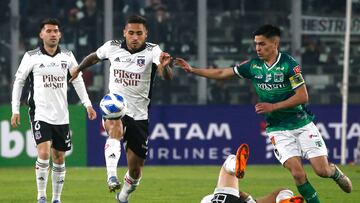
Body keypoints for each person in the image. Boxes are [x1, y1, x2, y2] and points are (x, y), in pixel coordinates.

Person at [175, 24, 352, 203]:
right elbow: (222, 72)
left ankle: (335, 172)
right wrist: (193, 70)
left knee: (322, 171)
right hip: (277, 128)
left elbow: (303, 96)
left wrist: (273, 107)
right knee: (298, 173)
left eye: (262, 44)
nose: (258, 48)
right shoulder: (253, 66)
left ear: (275, 44)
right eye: (256, 44)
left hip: (302, 123)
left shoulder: (289, 65)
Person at [69, 15, 173, 203]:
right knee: (115, 128)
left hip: (140, 115)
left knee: (136, 170)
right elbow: (94, 57)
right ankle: (111, 176)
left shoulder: (153, 51)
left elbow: (167, 76)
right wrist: (78, 68)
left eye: (139, 33)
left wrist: (165, 67)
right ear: (124, 32)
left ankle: (123, 196)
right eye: (131, 33)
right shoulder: (113, 46)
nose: (135, 37)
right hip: (115, 106)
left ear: (146, 34)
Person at [11, 18, 97, 203]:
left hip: (61, 115)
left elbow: (78, 79)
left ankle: (56, 198)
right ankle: (41, 196)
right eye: (48, 31)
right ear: (41, 34)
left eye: (55, 31)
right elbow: (19, 82)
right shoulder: (31, 56)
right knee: (43, 153)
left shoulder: (67, 56)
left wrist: (87, 104)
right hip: (40, 112)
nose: (52, 34)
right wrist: (15, 109)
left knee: (59, 157)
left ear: (60, 34)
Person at [201, 143, 304, 203]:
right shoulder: (207, 199)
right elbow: (240, 195)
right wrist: (244, 196)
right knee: (228, 163)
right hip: (223, 200)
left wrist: (247, 197)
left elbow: (245, 198)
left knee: (283, 190)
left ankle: (284, 199)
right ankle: (235, 165)